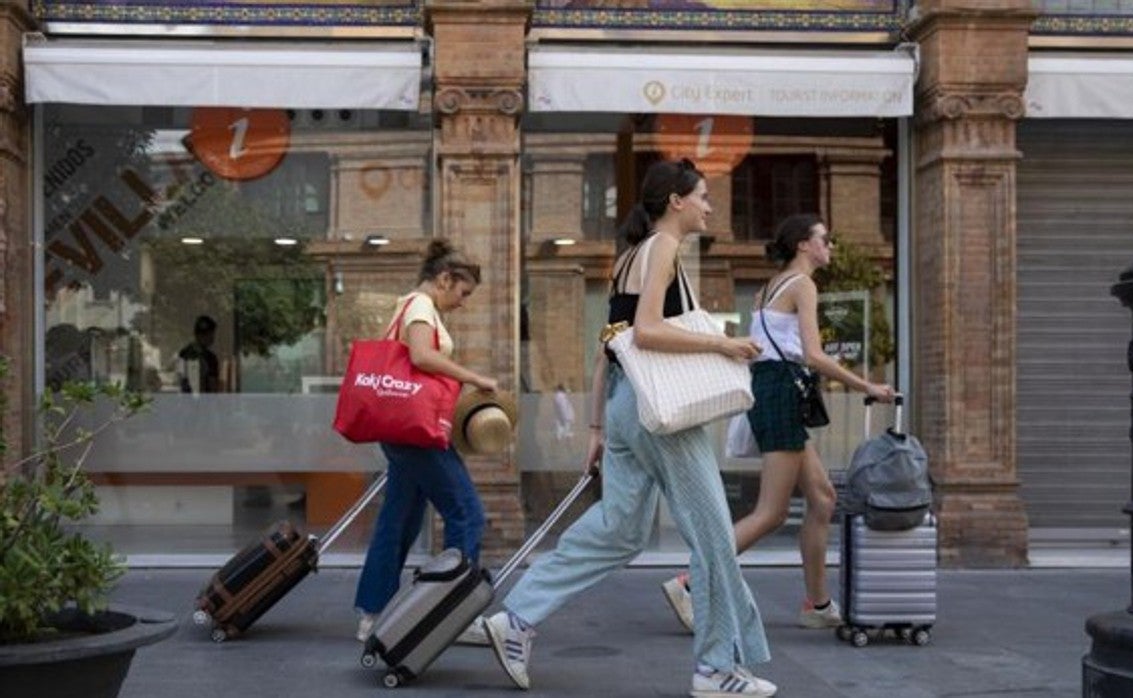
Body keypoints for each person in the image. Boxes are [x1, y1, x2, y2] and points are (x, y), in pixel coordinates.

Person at [484, 159, 778, 697]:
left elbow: (609, 350)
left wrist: (598, 427)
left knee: (619, 529)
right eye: (703, 197)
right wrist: (722, 341)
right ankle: (715, 669)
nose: (710, 206)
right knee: (713, 536)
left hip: (625, 406)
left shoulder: (627, 260)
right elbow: (645, 333)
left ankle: (519, 617)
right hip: (661, 411)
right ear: (676, 202)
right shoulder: (664, 248)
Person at [661, 213, 896, 634]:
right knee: (771, 513)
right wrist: (868, 385)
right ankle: (691, 582)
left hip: (771, 388)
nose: (830, 246)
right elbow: (813, 355)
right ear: (804, 244)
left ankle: (817, 604)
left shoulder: (770, 287)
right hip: (783, 391)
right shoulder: (802, 285)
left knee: (822, 498)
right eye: (825, 238)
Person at [353, 239, 499, 642]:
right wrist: (473, 377)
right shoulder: (420, 305)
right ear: (444, 279)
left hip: (401, 431)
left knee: (398, 520)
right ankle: (456, 612)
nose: (463, 302)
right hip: (416, 432)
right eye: (463, 292)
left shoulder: (411, 304)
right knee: (466, 512)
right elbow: (419, 356)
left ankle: (372, 613)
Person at [178, 315, 221, 393]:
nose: (213, 338)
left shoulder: (183, 353)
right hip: (204, 402)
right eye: (211, 334)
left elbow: (181, 380)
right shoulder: (210, 358)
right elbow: (213, 387)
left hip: (187, 401)